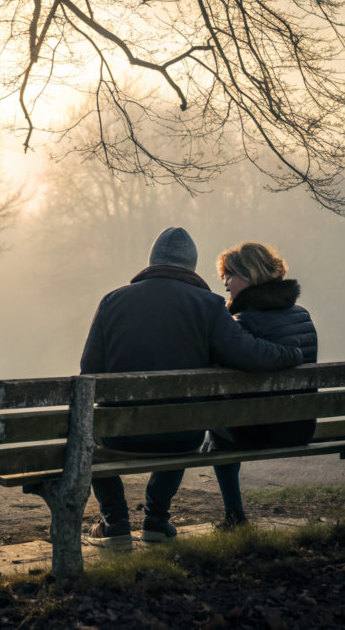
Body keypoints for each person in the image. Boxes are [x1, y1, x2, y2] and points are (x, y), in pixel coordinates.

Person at [80, 228, 305, 549]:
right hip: (182, 436)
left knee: (86, 436)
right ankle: (156, 520)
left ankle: (115, 521)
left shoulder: (112, 301)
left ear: (152, 261)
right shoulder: (209, 306)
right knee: (183, 421)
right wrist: (291, 354)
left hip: (119, 434)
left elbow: (89, 372)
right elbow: (251, 354)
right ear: (191, 267)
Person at [211, 242, 319, 528]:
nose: (225, 284)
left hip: (258, 432)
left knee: (216, 433)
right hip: (301, 427)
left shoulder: (241, 321)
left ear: (249, 275)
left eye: (229, 275)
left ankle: (234, 516)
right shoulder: (302, 316)